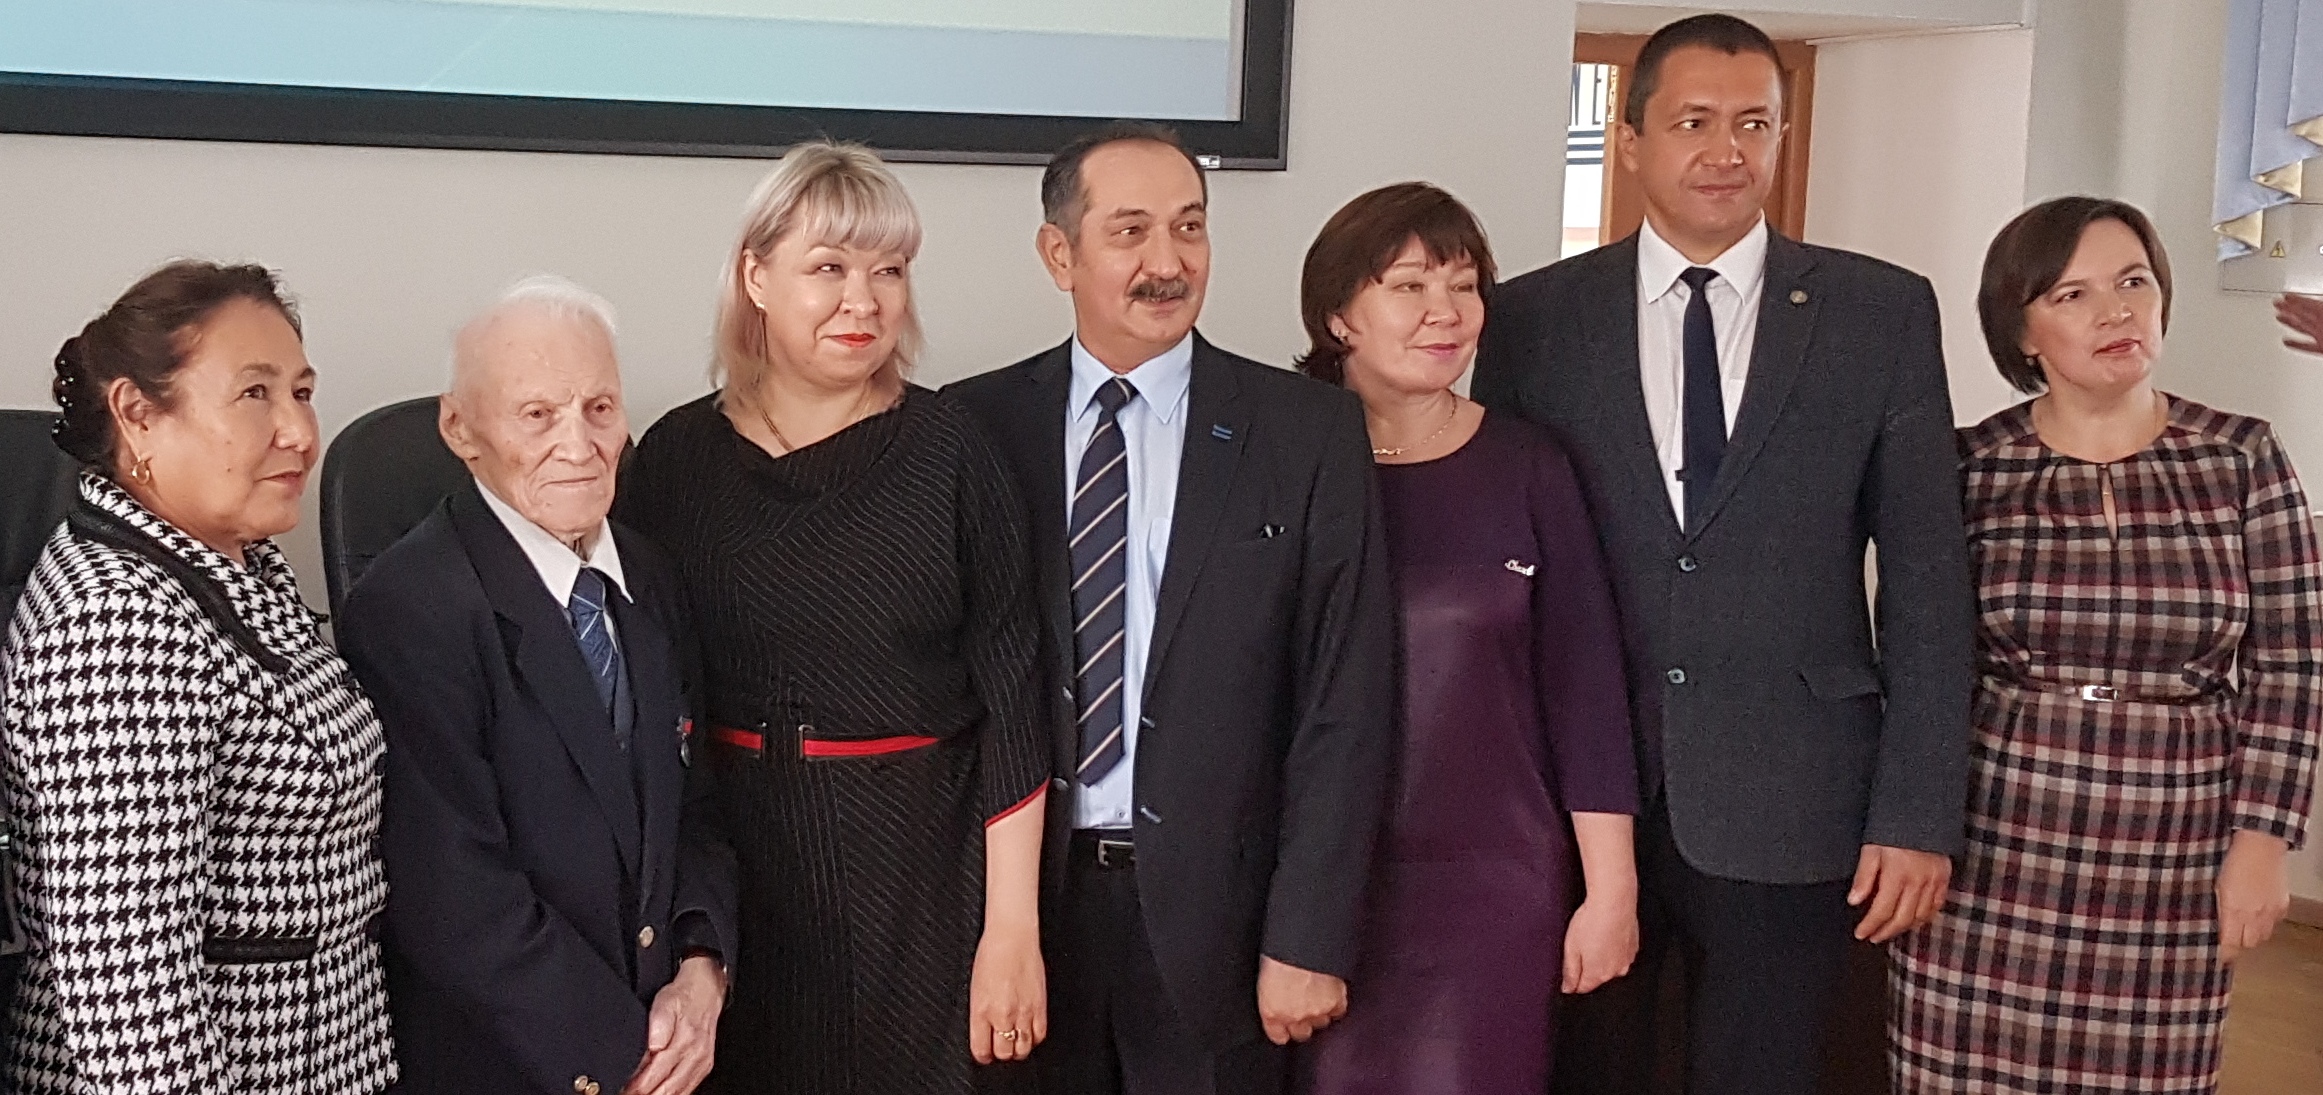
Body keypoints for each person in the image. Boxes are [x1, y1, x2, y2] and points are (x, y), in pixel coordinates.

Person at [1470, 14, 1976, 1095]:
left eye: (1753, 123)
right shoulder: (1532, 319)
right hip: (1583, 795)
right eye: (1693, 122)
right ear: (1629, 141)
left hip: (1797, 792)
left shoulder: (1879, 311)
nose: (1725, 151)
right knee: (1592, 1073)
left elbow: (1929, 585)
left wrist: (1917, 812)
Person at [944, 122, 1398, 1095]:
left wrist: (1308, 935)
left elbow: (1344, 703)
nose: (1168, 261)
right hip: (1027, 917)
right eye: (1131, 231)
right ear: (1058, 254)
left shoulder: (1305, 431)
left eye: (1189, 227)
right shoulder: (975, 425)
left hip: (1225, 927)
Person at [615, 141, 1051, 1094]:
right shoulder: (675, 459)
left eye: (889, 271)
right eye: (829, 268)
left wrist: (1012, 930)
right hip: (732, 879)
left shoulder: (953, 451)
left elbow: (1016, 699)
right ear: (755, 277)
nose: (865, 301)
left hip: (919, 878)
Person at [1892, 196, 2322, 1093]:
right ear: (2021, 332)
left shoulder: (2239, 457)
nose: (2115, 311)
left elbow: (2291, 663)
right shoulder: (1968, 467)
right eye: (2072, 294)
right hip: (1994, 845)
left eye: (2132, 282)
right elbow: (1917, 661)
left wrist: (2262, 841)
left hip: (2173, 848)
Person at [1, 260, 394, 1092]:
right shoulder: (116, 624)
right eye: (255, 393)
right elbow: (129, 991)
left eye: (301, 391)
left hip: (314, 1049)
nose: (299, 431)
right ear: (138, 415)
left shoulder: (231, 561)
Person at [336, 277, 736, 1095]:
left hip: (671, 1047)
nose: (578, 444)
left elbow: (696, 803)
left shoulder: (650, 575)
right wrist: (624, 1056)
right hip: (514, 1062)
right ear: (460, 428)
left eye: (599, 408)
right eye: (537, 414)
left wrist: (702, 968)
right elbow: (453, 895)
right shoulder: (410, 605)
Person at [1286, 183, 1640, 1094]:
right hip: (1311, 891)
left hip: (1493, 889)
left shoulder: (1529, 464)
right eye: (1409, 285)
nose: (1445, 311)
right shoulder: (1277, 458)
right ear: (1338, 315)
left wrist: (1610, 891)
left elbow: (1586, 690)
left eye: (1463, 284)